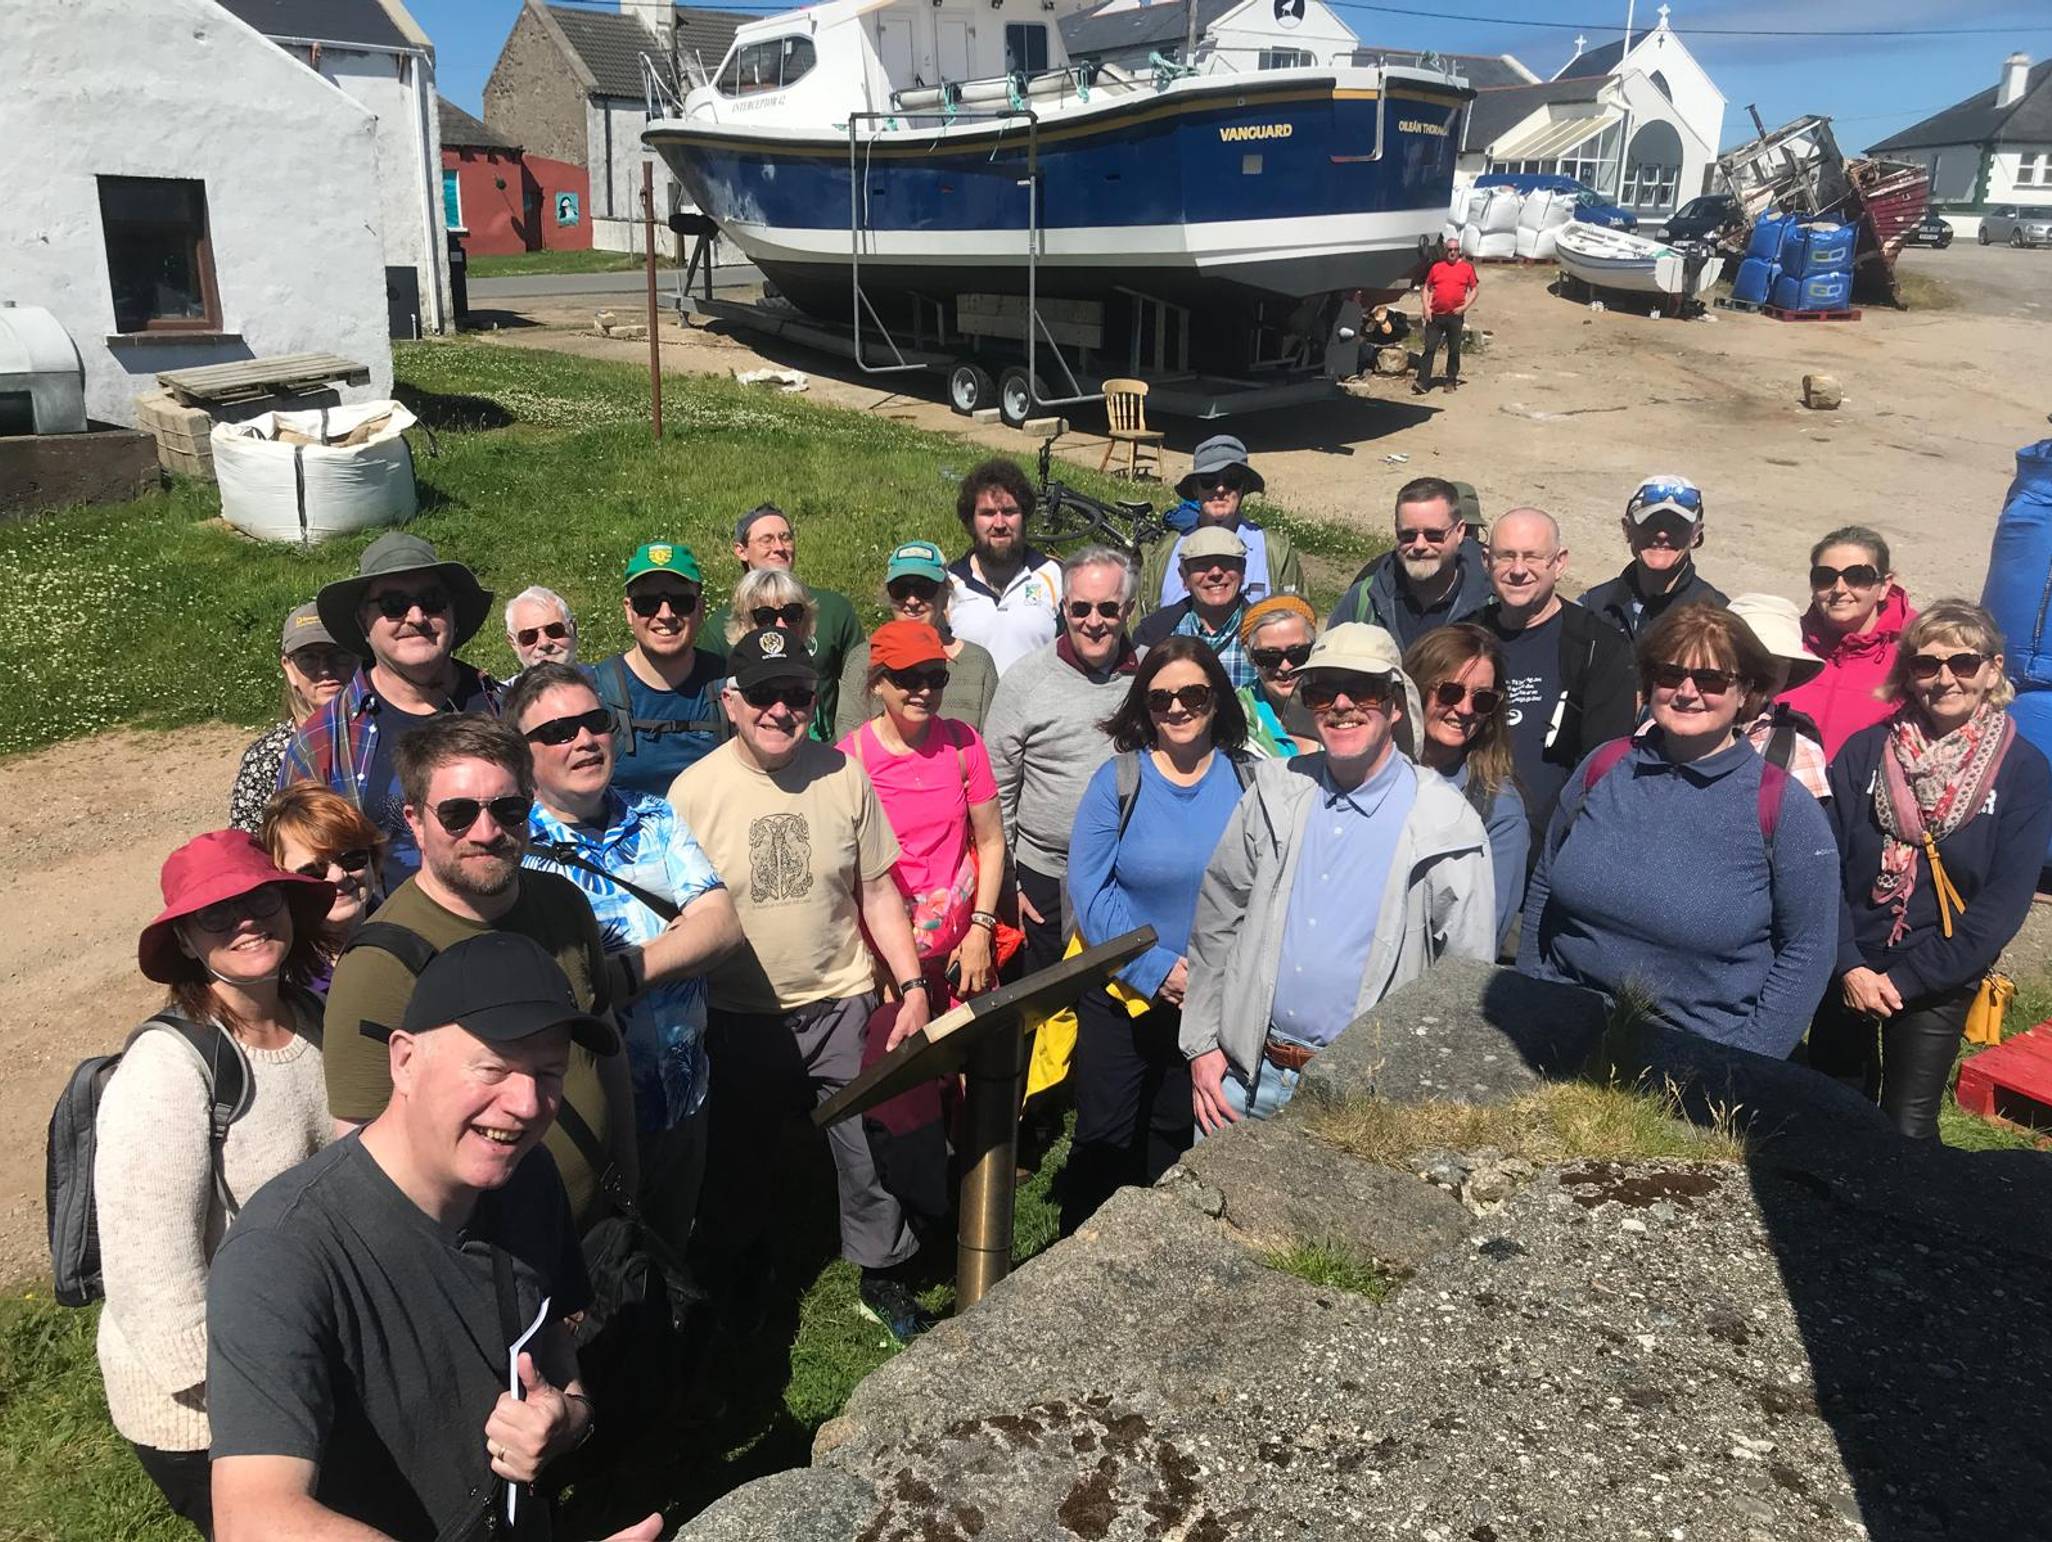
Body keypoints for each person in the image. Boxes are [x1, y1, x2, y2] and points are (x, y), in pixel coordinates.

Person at [207, 933, 659, 1542]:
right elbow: (254, 1518)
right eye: (494, 1067)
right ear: (405, 1061)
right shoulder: (283, 1253)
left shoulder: (528, 1179)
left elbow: (553, 1350)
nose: (527, 1104)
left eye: (548, 1072)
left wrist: (566, 1417)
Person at [668, 630, 936, 1339]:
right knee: (739, 1155)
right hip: (737, 1012)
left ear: (813, 702)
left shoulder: (842, 774)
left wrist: (909, 983)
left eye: (794, 695)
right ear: (731, 703)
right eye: (762, 694)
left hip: (840, 1000)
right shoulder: (692, 794)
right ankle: (745, 1271)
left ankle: (883, 1274)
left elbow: (876, 890)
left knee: (866, 1147)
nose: (779, 709)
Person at [95, 831, 333, 1539]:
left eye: (261, 898)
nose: (248, 922)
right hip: (207, 1405)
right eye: (217, 915)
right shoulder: (170, 1069)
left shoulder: (315, 1021)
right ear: (189, 946)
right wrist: (237, 1396)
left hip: (296, 1357)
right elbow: (149, 1270)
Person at [320, 713, 636, 1233]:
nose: (487, 832)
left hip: (600, 1230)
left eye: (508, 809)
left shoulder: (563, 905)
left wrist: (628, 1172)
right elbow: (365, 1163)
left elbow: (607, 1057)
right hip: (492, 1267)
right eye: (458, 814)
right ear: (415, 822)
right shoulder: (377, 968)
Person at [1184, 624, 1497, 1129]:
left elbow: (1464, 983)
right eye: (1324, 690)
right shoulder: (1274, 790)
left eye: (1364, 688)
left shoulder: (1446, 824)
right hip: (1243, 1078)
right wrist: (1202, 1045)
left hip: (1361, 1100)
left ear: (1395, 704)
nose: (1342, 704)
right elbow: (1217, 921)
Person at [1519, 604, 1839, 1057]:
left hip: (1692, 1057)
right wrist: (1531, 994)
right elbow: (1544, 886)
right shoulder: (1604, 767)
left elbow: (1808, 953)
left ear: (1746, 690)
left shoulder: (1784, 809)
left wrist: (1743, 1067)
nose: (1687, 692)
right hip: (1560, 1023)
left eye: (1711, 679)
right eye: (1670, 675)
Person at [508, 662, 743, 1247]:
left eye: (594, 721)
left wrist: (620, 973)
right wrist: (677, 941)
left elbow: (722, 926)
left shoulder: (655, 816)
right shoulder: (516, 853)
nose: (584, 739)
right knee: (603, 1267)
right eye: (559, 731)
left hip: (686, 1091)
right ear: (522, 753)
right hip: (592, 1119)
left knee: (673, 1246)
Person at [1809, 601, 2052, 1138]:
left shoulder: (2024, 772)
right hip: (1850, 960)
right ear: (1908, 673)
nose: (1945, 679)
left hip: (1937, 971)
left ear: (1992, 670)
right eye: (1927, 664)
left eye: (1963, 663)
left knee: (1908, 1127)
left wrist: (1907, 979)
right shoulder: (1866, 749)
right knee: (1826, 1107)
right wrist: (1848, 963)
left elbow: (2004, 904)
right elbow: (1824, 861)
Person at [1063, 638, 1251, 1229]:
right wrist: (1156, 968)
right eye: (1160, 697)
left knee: (1177, 1133)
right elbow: (1089, 891)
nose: (1176, 708)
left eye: (1192, 694)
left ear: (1217, 699)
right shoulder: (1117, 780)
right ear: (1143, 706)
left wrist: (1203, 981)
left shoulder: (1250, 782)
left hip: (1211, 997)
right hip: (1123, 996)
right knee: (1105, 1134)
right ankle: (1077, 1263)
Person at [280, 532, 502, 887]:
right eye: (393, 604)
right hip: (389, 936)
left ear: (453, 613)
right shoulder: (322, 741)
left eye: (432, 601)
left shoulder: (501, 706)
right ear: (362, 622)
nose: (416, 616)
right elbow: (300, 870)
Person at [984, 546, 1140, 972]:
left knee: (1113, 1011)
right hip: (1044, 879)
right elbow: (997, 789)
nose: (1094, 622)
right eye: (1081, 609)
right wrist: (1007, 884)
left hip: (1125, 875)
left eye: (1108, 608)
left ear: (1127, 610)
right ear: (1063, 608)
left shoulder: (1151, 679)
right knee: (1043, 1016)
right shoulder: (1026, 679)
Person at [838, 621, 1006, 998]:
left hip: (962, 953)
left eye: (935, 676)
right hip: (887, 958)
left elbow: (992, 841)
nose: (925, 690)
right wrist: (873, 963)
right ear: (878, 682)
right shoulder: (851, 760)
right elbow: (842, 876)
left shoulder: (964, 744)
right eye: (908, 678)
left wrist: (981, 930)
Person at [1478, 507, 1638, 850]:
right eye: (1506, 556)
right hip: (1466, 838)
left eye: (1533, 557)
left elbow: (1602, 767)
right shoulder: (1465, 637)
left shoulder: (1599, 648)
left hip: (1552, 848)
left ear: (1559, 563)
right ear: (1485, 561)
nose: (1518, 570)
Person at [1403, 624, 1529, 952]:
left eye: (1483, 699)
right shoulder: (1369, 776)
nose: (1466, 710)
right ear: (1414, 688)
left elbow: (1482, 939)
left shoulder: (1498, 810)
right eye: (1450, 692)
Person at [703, 504, 865, 732]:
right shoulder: (720, 625)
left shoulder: (833, 609)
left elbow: (861, 687)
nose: (779, 547)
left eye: (785, 538)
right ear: (741, 550)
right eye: (767, 540)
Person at [587, 541, 728, 801]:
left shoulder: (729, 686)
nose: (665, 614)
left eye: (681, 601)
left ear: (701, 608)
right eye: (648, 602)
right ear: (628, 610)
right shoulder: (594, 692)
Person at [835, 540, 1001, 738]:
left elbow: (992, 746)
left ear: (945, 594)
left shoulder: (977, 664)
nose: (912, 601)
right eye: (900, 589)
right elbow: (850, 744)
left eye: (925, 589)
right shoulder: (863, 660)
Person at [1779, 525, 1916, 758]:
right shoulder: (1787, 642)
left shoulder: (1915, 651)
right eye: (1825, 577)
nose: (1839, 589)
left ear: (1884, 586)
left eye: (1857, 577)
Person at [228, 603, 356, 834]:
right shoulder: (265, 757)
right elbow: (247, 848)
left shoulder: (380, 734)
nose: (325, 669)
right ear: (288, 668)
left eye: (339, 655)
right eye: (308, 659)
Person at [1139, 435, 1303, 611]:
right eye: (1208, 480)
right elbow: (1142, 625)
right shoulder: (1166, 551)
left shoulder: (1275, 551)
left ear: (1244, 487)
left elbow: (1297, 620)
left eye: (1231, 480)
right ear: (1195, 488)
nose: (1220, 489)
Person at [1327, 476, 1493, 646]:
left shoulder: (1492, 607)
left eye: (1433, 535)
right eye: (1408, 535)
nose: (1419, 545)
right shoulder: (1364, 600)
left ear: (1459, 532)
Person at [259, 783, 387, 995]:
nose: (337, 876)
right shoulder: (277, 982)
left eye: (352, 859)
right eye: (314, 871)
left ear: (373, 858)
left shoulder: (414, 934)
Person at [946, 458, 1065, 675]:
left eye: (1009, 512)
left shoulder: (1055, 575)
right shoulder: (948, 585)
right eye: (988, 513)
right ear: (971, 521)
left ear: (1024, 517)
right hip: (967, 709)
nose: (999, 524)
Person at [1578, 475, 1728, 641]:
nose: (1662, 534)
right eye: (1651, 523)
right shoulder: (1592, 607)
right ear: (1627, 529)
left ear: (1695, 535)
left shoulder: (1720, 618)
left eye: (1676, 525)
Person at [1725, 593, 1831, 805]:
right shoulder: (1663, 726)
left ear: (1789, 672)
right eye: (1746, 660)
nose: (1758, 673)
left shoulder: (1800, 754)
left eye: (1774, 663)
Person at [1133, 526, 1257, 687]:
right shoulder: (1153, 633)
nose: (1216, 573)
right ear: (1184, 576)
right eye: (1202, 565)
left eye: (1226, 563)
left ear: (1243, 571)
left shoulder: (1266, 631)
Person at [1236, 595, 1320, 759]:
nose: (1285, 667)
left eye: (1297, 654)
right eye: (1269, 658)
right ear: (1251, 658)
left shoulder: (1341, 702)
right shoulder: (1235, 716)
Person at [1413, 232, 1477, 394]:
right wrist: (1426, 307)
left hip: (1455, 316)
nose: (1452, 252)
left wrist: (1464, 307)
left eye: (1455, 249)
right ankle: (1423, 382)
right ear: (1445, 251)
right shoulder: (1437, 268)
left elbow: (1474, 290)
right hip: (1436, 315)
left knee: (1454, 349)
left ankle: (1450, 380)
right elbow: (1427, 288)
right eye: (1449, 249)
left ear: (1459, 251)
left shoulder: (1466, 268)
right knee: (1429, 348)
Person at [723, 566, 818, 654]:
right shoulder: (735, 670)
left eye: (791, 614)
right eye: (766, 617)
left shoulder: (811, 671)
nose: (781, 626)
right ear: (742, 623)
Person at [505, 585, 579, 670]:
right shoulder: (496, 684)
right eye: (529, 636)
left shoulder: (597, 679)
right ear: (513, 643)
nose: (544, 643)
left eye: (554, 630)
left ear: (573, 629)